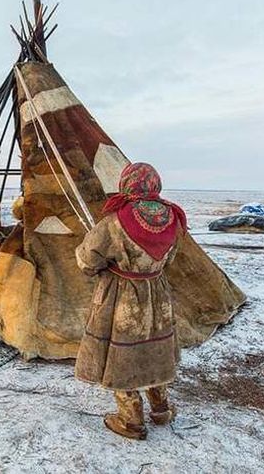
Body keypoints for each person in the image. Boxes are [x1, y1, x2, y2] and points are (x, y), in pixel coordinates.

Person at [74, 162, 187, 440]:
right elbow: (169, 258)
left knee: (123, 354)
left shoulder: (116, 221)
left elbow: (88, 260)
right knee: (154, 348)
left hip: (122, 295)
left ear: (128, 183)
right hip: (157, 293)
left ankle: (131, 420)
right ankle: (161, 408)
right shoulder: (173, 217)